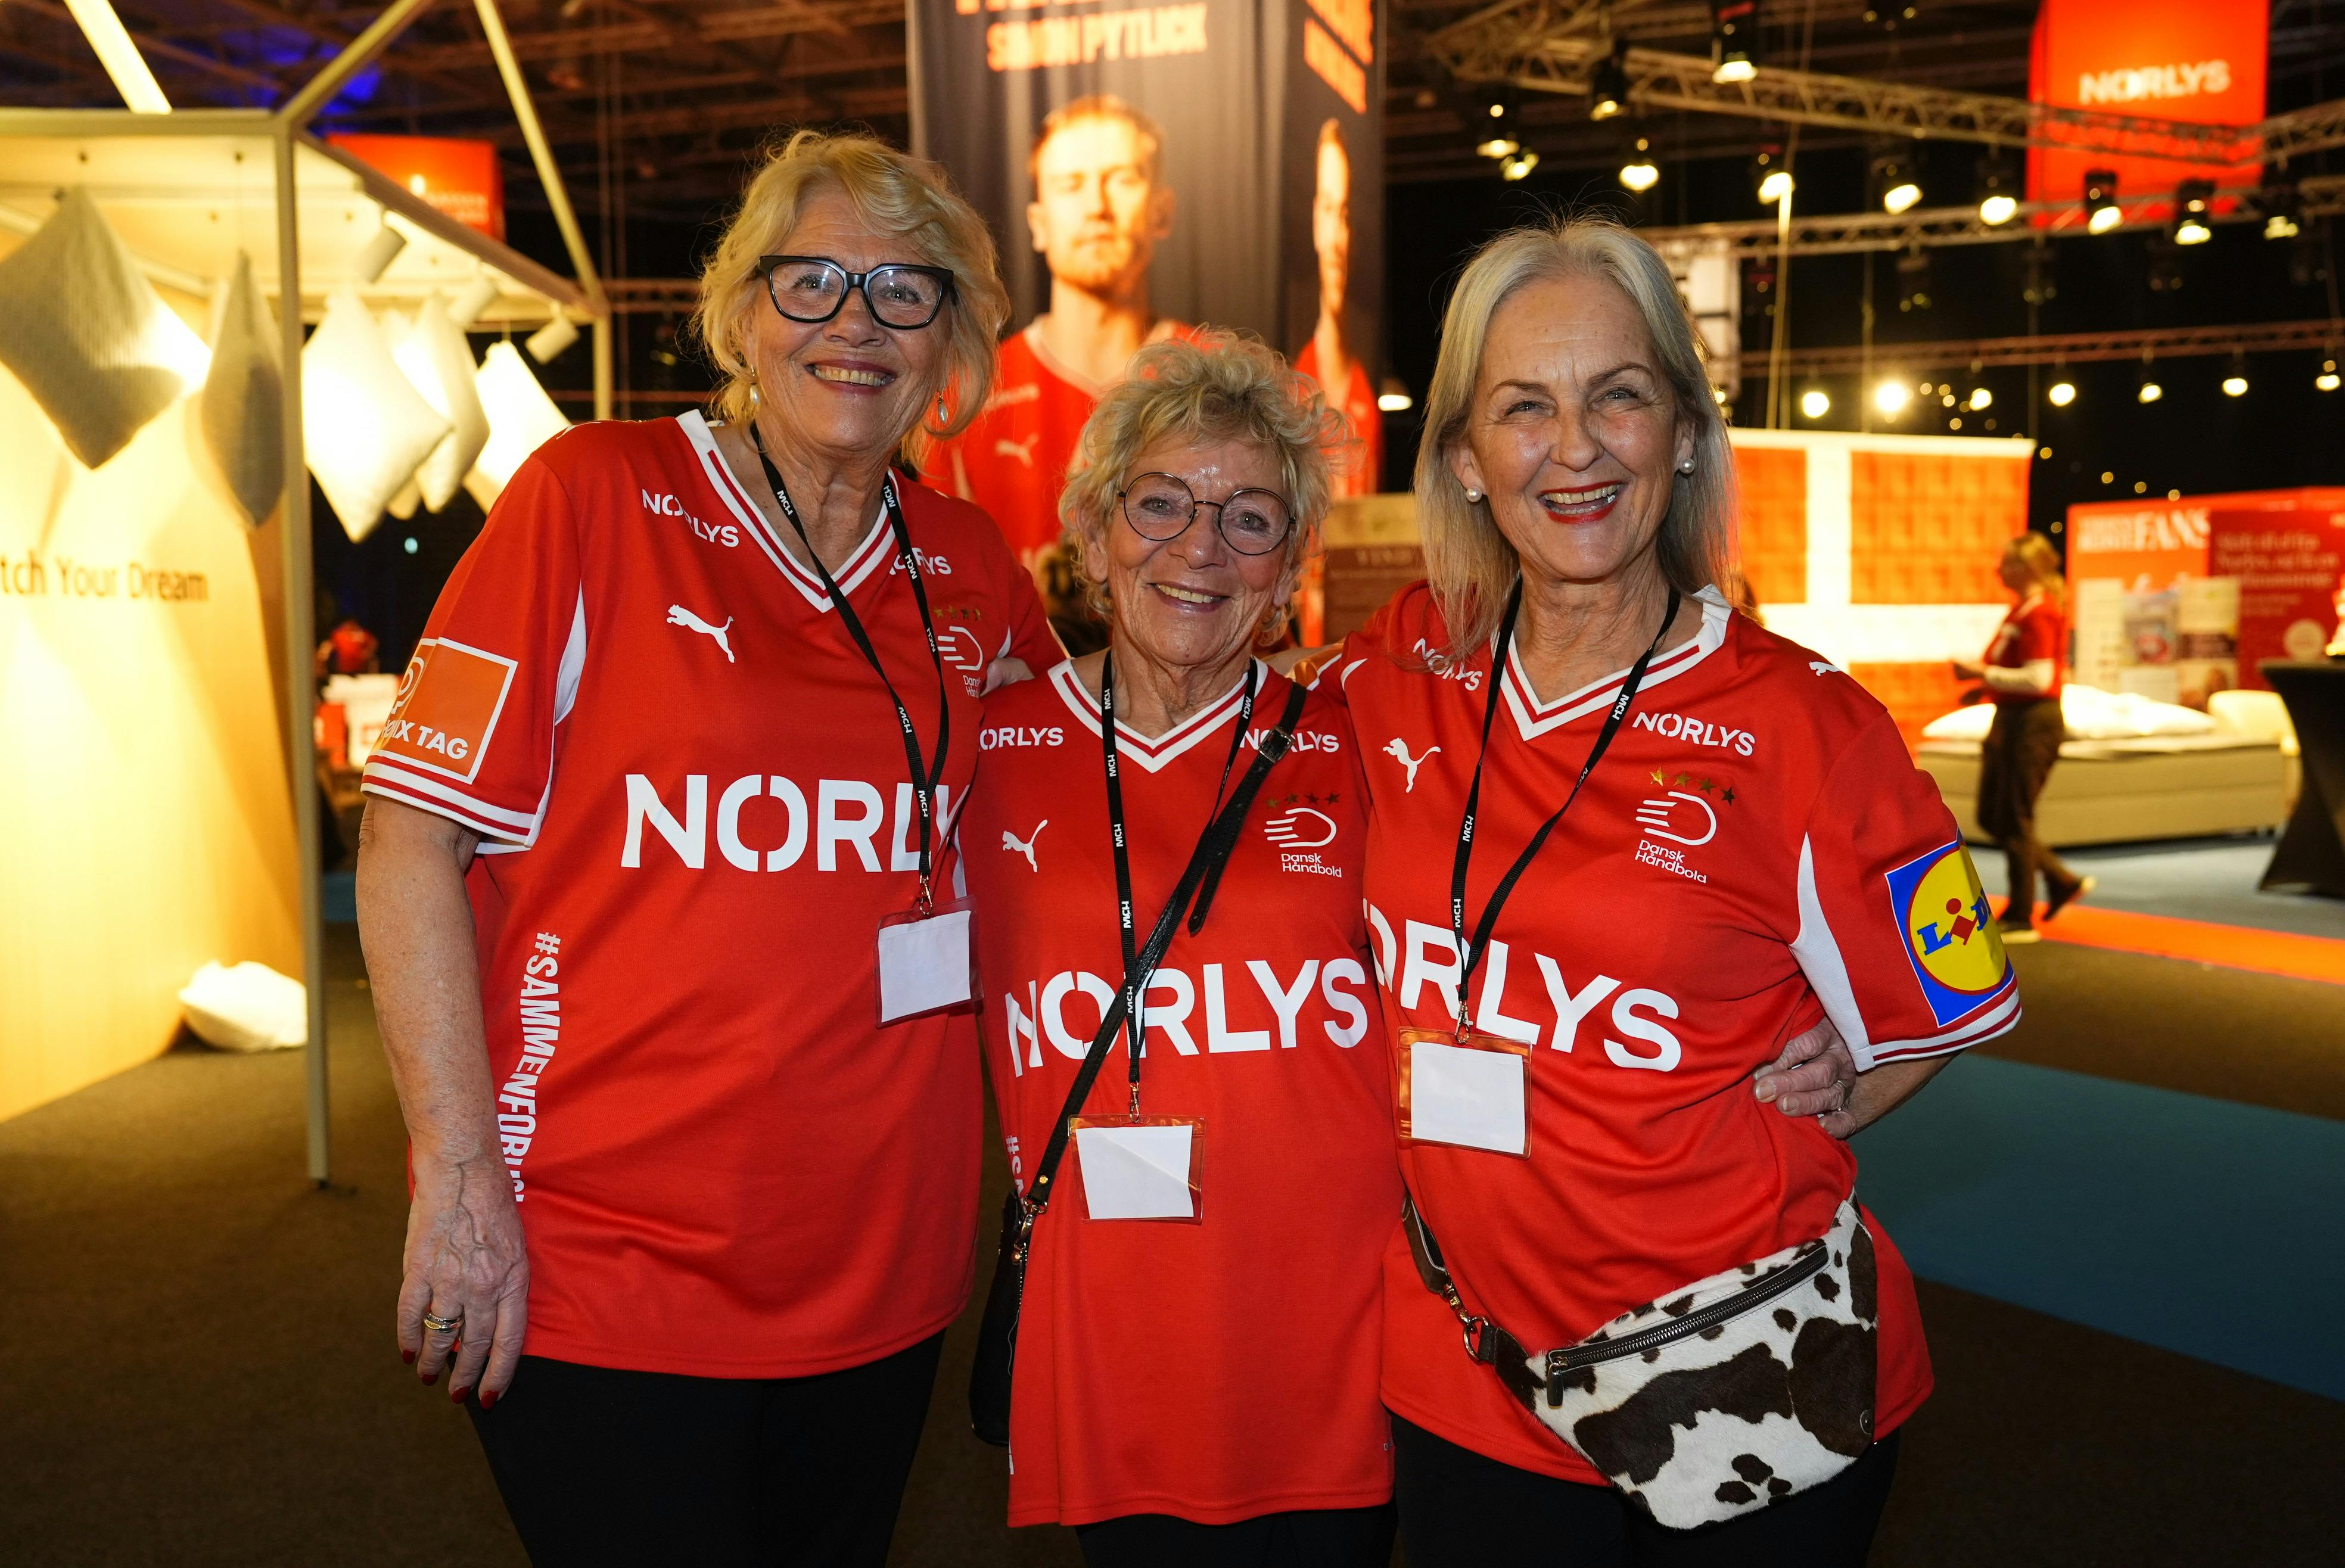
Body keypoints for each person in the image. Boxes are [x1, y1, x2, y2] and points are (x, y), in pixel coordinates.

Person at [354, 129, 1062, 1566]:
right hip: (607, 1257)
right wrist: (460, 1175)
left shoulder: (971, 566)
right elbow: (410, 836)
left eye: (905, 290)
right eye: (811, 281)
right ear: (742, 314)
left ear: (953, 343)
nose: (856, 323)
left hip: (884, 1262)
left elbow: (1080, 809)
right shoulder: (590, 497)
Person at [1313, 216, 2018, 1564]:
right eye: (1524, 407)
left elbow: (1955, 999)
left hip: (1741, 1378)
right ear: (1463, 458)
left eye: (1618, 396)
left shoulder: (1808, 726)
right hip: (1469, 1379)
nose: (1573, 447)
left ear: (1685, 433)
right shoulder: (1398, 668)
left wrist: (1838, 1081)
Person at [959, 333, 1398, 1566]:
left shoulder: (1362, 742)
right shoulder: (980, 748)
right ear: (1092, 532)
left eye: (1249, 517)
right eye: (1160, 503)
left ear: (1290, 566)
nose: (1200, 547)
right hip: (1112, 1329)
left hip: (1340, 1335)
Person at [932, 95, 1194, 572]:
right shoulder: (967, 398)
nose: (1097, 207)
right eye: (1071, 186)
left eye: (1122, 179)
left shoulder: (1223, 384)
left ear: (1162, 211)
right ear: (1038, 223)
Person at [1955, 532, 2089, 942]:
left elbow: (2039, 679)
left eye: (2007, 563)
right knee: (1992, 816)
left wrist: (1982, 674)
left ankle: (2020, 915)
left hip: (2032, 724)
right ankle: (2060, 880)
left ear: (2026, 568)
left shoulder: (2040, 613)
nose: (1999, 570)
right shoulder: (2022, 611)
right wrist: (1988, 687)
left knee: (2014, 816)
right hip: (2012, 719)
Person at [1294, 118, 1382, 501]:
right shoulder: (1291, 387)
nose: (1336, 240)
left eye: (1345, 215)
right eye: (1329, 211)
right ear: (1316, 221)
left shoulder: (1362, 391)